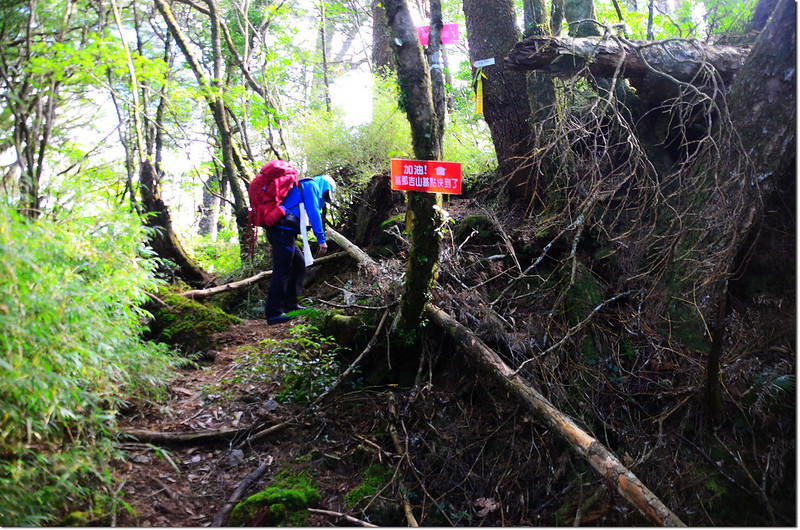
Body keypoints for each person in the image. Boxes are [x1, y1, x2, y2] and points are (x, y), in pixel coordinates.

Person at [264, 165, 328, 325]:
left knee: (299, 264)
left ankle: (291, 305)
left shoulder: (298, 186)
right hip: (283, 230)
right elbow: (314, 212)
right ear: (323, 186)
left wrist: (273, 240)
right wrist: (321, 238)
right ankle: (273, 312)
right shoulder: (311, 185)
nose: (325, 198)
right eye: (326, 194)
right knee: (282, 269)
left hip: (283, 231)